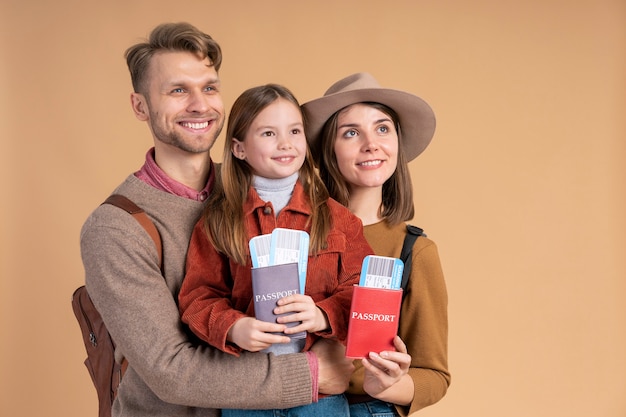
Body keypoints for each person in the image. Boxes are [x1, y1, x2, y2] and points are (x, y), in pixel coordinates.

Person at [79, 22, 354, 417]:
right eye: (178, 90)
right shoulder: (116, 228)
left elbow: (340, 264)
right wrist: (312, 373)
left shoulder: (265, 188)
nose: (199, 105)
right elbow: (170, 371)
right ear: (140, 106)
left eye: (209, 88)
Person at [178, 83, 374, 416]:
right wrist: (233, 326)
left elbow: (363, 292)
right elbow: (198, 296)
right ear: (239, 149)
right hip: (248, 395)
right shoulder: (218, 221)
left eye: (294, 131)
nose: (285, 144)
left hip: (319, 399)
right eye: (268, 133)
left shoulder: (340, 220)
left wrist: (322, 314)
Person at [301, 73, 451, 416]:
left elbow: (435, 375)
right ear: (328, 150)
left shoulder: (415, 251)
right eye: (351, 132)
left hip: (369, 409)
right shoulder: (291, 234)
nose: (371, 143)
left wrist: (388, 384)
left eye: (382, 128)